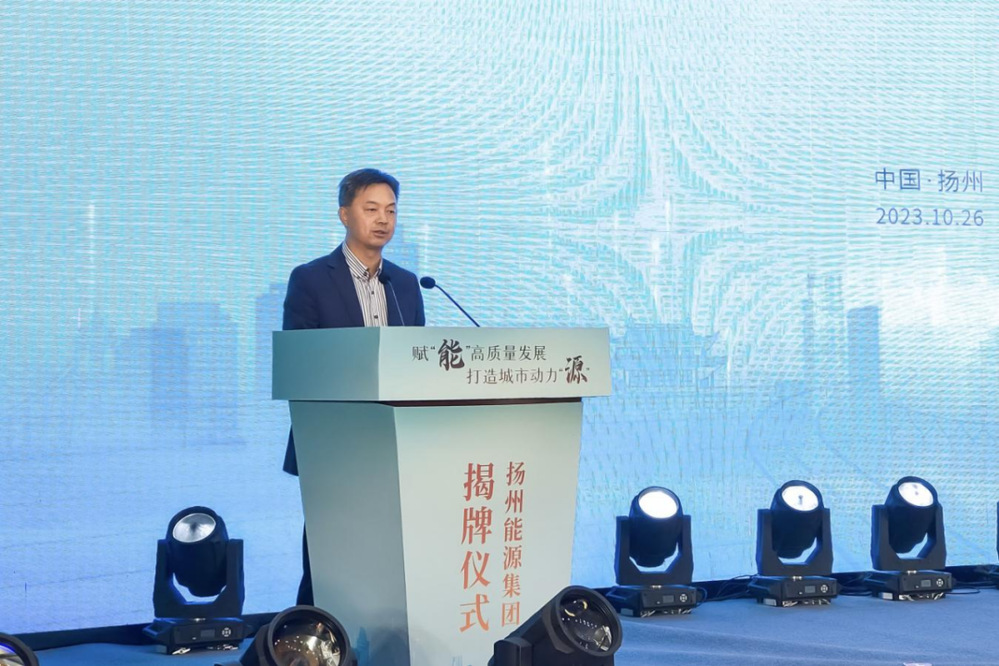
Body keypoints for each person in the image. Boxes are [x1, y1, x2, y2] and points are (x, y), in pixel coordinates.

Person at [282, 168, 425, 604]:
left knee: (390, 557)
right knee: (328, 558)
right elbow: (300, 363)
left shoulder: (406, 284)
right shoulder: (310, 279)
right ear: (344, 214)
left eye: (391, 211)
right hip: (333, 444)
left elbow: (420, 363)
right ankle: (311, 631)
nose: (383, 220)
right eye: (371, 209)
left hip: (396, 443)